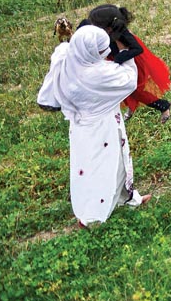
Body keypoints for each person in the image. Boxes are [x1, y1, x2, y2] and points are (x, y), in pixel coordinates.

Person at [36, 25, 151, 227]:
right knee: (108, 166)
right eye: (101, 50)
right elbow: (130, 80)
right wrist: (126, 51)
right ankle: (92, 217)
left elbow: (63, 48)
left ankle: (128, 199)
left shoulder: (66, 63)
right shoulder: (100, 73)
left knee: (87, 168)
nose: (104, 53)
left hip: (80, 129)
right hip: (103, 127)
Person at [82, 4, 171, 123]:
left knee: (134, 90)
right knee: (119, 87)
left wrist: (118, 59)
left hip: (131, 61)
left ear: (107, 27)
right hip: (115, 60)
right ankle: (131, 107)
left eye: (95, 25)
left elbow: (137, 49)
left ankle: (163, 106)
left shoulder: (122, 33)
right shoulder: (102, 31)